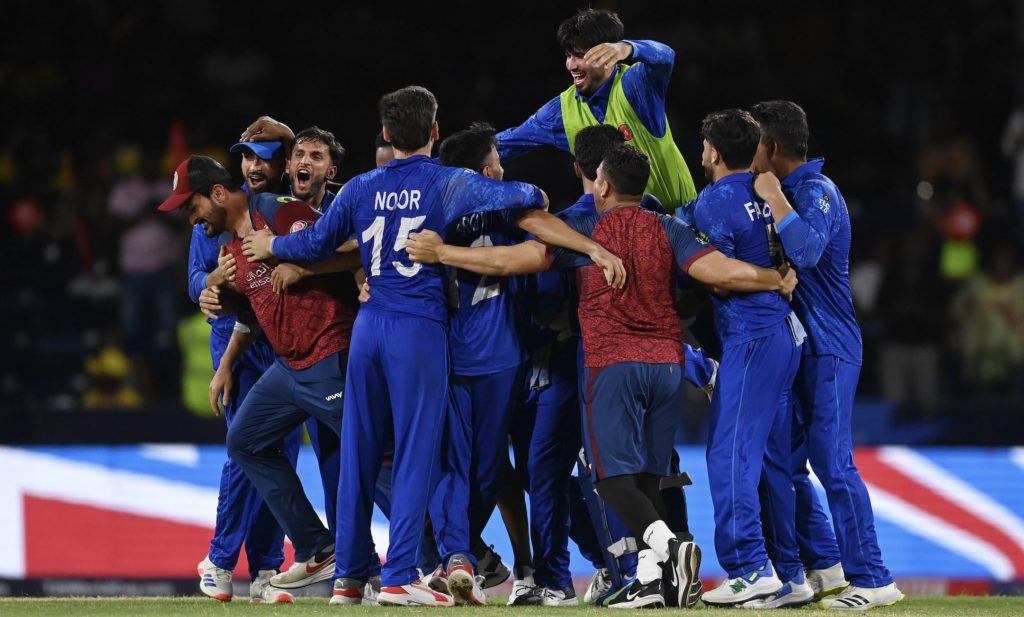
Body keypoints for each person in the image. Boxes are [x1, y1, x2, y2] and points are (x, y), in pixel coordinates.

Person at [241, 86, 624, 606]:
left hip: (368, 328)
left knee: (358, 452)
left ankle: (350, 579)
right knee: (419, 452)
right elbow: (525, 197)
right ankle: (400, 574)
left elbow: (315, 244)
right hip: (416, 327)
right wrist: (537, 197)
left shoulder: (359, 187)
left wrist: (272, 246)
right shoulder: (447, 183)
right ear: (435, 131)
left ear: (386, 135)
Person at [405, 144, 798, 609]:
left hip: (611, 366)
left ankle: (672, 549)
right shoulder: (668, 227)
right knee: (650, 478)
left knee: (611, 479)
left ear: (603, 184)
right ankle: (651, 581)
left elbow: (513, 262)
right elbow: (719, 272)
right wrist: (773, 278)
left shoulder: (584, 228)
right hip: (666, 367)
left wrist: (442, 252)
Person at [157, 154, 367, 602]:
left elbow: (350, 246)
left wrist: (291, 257)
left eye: (191, 205)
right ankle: (303, 550)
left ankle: (422, 561)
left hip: (324, 352)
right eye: (247, 153)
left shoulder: (276, 210)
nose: (190, 217)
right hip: (281, 360)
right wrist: (226, 352)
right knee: (248, 443)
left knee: (360, 457)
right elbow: (224, 296)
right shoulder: (227, 242)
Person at [751, 100, 904, 610]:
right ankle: (818, 569)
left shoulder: (816, 191)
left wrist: (774, 197)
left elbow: (810, 252)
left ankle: (874, 579)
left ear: (772, 147)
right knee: (787, 463)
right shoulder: (788, 191)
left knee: (834, 466)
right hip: (799, 351)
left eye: (754, 142)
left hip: (831, 348)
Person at [675, 110, 804, 607]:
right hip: (786, 332)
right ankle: (789, 573)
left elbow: (719, 274)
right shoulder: (769, 189)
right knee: (771, 458)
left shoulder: (715, 201)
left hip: (751, 337)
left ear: (710, 152)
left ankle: (750, 567)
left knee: (729, 454)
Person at [496, 8, 696, 212]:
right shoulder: (560, 112)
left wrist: (626, 48)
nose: (571, 65)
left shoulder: (635, 86)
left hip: (680, 227)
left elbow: (665, 57)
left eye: (580, 55)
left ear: (608, 55)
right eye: (568, 55)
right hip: (619, 237)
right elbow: (504, 144)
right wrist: (465, 164)